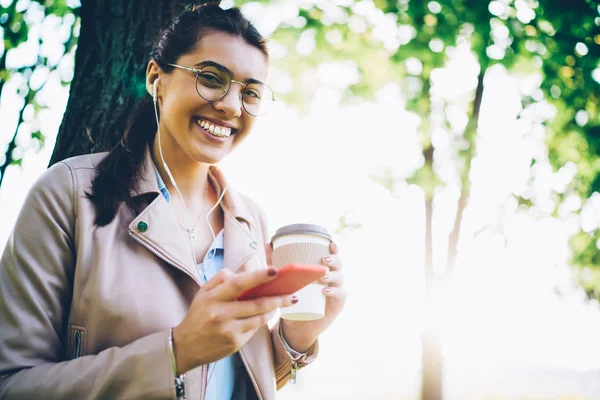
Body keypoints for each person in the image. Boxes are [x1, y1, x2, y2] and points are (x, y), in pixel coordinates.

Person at [0, 2, 346, 399]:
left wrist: (296, 337)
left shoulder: (251, 221)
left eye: (249, 92)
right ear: (156, 79)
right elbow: (12, 385)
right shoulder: (68, 194)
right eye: (211, 78)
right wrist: (175, 353)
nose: (231, 106)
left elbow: (231, 380)